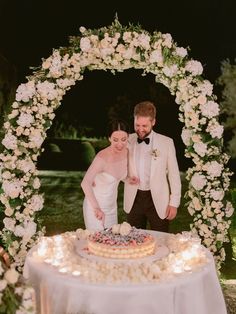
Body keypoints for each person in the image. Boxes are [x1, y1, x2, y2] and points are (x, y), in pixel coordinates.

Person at [124, 101, 181, 232]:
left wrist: (174, 203)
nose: (140, 129)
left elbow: (174, 175)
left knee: (161, 240)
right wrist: (126, 179)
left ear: (153, 122)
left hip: (158, 200)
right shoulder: (127, 140)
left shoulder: (166, 142)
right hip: (134, 199)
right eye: (137, 125)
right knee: (134, 241)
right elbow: (120, 169)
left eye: (144, 125)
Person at [81, 120, 129, 231]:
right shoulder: (102, 157)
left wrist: (129, 179)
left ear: (128, 138)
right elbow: (85, 183)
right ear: (109, 138)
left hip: (112, 207)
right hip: (96, 207)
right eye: (115, 140)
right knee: (97, 243)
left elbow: (118, 176)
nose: (120, 144)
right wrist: (96, 208)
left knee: (112, 244)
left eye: (123, 139)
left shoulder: (127, 152)